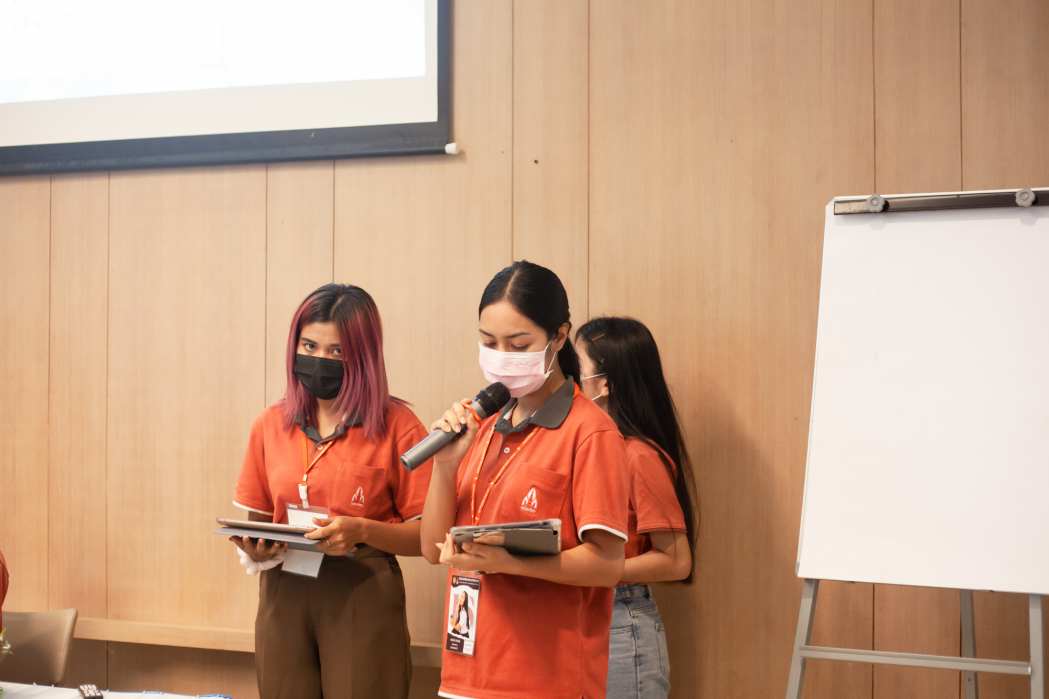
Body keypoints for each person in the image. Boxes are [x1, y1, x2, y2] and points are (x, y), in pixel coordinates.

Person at [421, 260, 630, 699]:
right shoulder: (482, 426)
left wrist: (507, 561)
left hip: (545, 680)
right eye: (488, 343)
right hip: (465, 674)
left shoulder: (590, 431)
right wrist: (444, 466)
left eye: (518, 345)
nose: (501, 356)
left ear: (558, 336)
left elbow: (607, 565)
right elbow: (432, 548)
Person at [230, 283, 433, 699]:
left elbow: (429, 538)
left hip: (362, 591)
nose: (319, 360)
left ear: (363, 355)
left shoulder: (399, 425)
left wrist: (361, 530)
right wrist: (255, 551)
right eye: (309, 346)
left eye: (336, 351)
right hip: (283, 592)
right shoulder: (269, 425)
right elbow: (256, 524)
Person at [574, 316, 698, 699]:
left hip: (621, 623)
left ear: (606, 383)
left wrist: (596, 568)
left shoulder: (638, 455)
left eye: (577, 368)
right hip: (584, 615)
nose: (570, 380)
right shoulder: (595, 447)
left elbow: (676, 560)